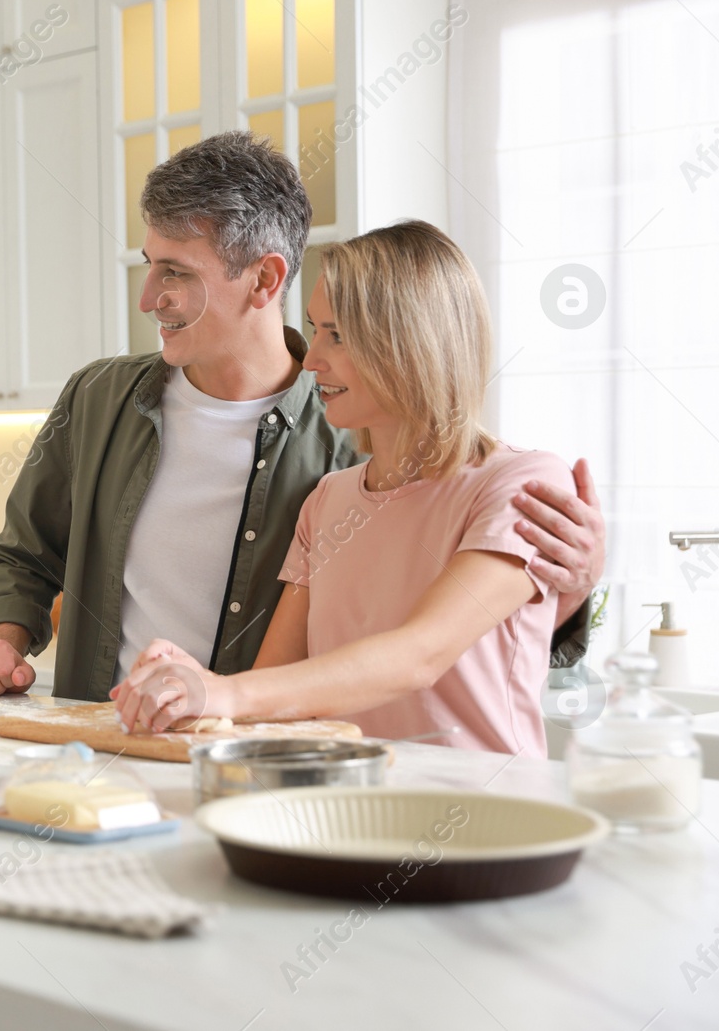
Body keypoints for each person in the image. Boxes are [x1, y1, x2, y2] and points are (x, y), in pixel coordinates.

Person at [0, 130, 606, 704]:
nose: (148, 297)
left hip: (277, 768)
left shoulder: (362, 441)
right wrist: (3, 640)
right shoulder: (97, 398)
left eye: (176, 273)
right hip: (124, 748)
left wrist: (571, 593)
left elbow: (441, 645)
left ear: (265, 281)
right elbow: (24, 556)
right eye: (150, 266)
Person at [114, 221, 571, 755]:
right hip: (351, 809)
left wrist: (223, 693)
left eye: (337, 335)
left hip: (484, 817)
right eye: (315, 329)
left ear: (410, 343)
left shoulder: (522, 484)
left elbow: (419, 655)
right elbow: (278, 696)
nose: (311, 360)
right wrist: (189, 680)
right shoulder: (329, 501)